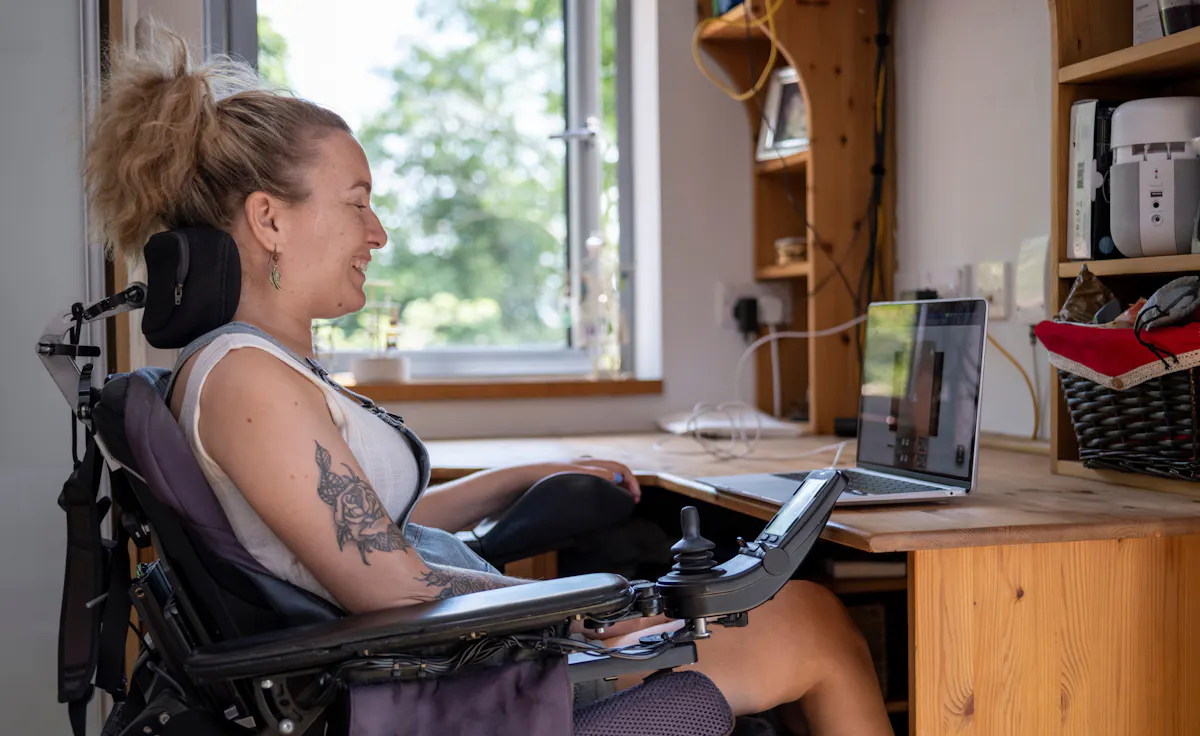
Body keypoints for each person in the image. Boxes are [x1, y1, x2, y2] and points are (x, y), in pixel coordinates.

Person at [83, 28, 892, 736]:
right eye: (358, 203)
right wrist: (598, 608)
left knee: (783, 615)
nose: (379, 232)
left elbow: (357, 532)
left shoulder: (252, 369)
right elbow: (388, 584)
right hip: (420, 691)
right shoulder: (247, 382)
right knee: (814, 623)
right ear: (269, 221)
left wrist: (520, 480)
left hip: (424, 663)